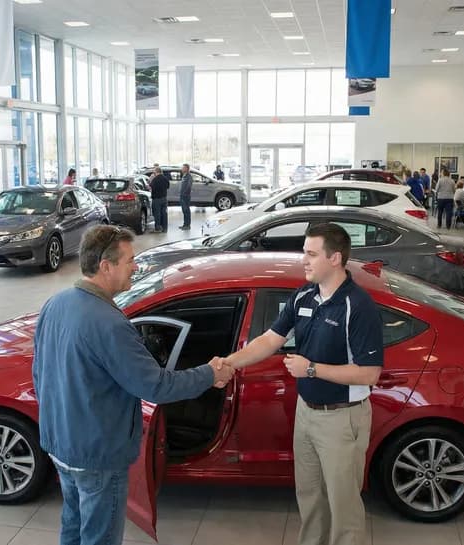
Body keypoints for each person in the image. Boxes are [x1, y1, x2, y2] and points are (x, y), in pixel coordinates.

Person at [32, 225, 234, 545]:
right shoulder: (109, 323)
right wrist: (209, 374)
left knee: (73, 522)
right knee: (99, 536)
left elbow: (39, 373)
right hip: (97, 456)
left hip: (60, 444)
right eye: (129, 260)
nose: (135, 267)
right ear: (106, 266)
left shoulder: (55, 304)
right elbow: (155, 386)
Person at [210, 223, 383, 545]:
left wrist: (311, 369)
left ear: (335, 258)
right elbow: (269, 340)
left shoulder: (358, 307)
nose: (303, 260)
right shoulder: (304, 296)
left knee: (343, 505)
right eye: (304, 252)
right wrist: (229, 363)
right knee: (310, 495)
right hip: (307, 414)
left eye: (311, 254)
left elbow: (368, 374)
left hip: (342, 418)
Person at [149, 167, 169, 233]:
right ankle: (165, 228)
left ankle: (158, 228)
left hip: (157, 199)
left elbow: (151, 186)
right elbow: (168, 186)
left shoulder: (155, 179)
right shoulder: (165, 178)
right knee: (164, 214)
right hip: (164, 198)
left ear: (156, 172)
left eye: (154, 172)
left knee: (157, 214)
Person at [179, 163, 193, 230]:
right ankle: (185, 224)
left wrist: (185, 193)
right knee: (184, 211)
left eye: (183, 168)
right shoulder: (184, 176)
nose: (182, 169)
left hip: (185, 196)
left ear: (187, 169)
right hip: (182, 195)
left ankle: (188, 225)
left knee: (186, 210)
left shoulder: (189, 176)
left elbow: (189, 186)